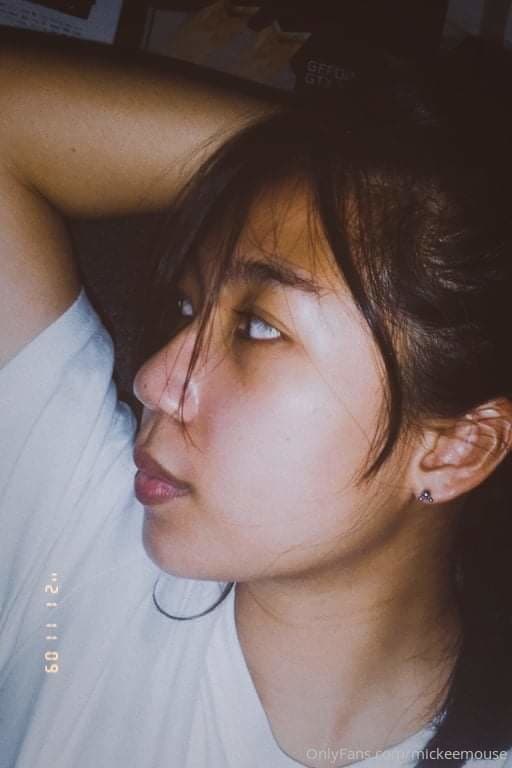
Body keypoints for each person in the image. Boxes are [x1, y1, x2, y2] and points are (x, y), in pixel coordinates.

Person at [0, 27, 511, 768]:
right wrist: (355, 163)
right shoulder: (73, 564)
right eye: (186, 309)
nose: (153, 379)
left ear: (457, 450)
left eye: (259, 328)